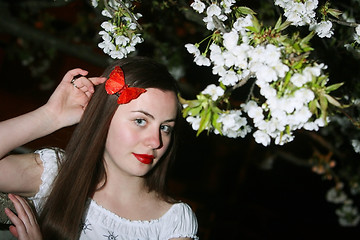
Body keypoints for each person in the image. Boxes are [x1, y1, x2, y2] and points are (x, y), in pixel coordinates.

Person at [0, 56, 199, 240]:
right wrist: (50, 116)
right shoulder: (56, 174)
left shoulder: (173, 222)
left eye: (165, 128)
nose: (156, 142)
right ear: (106, 118)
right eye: (140, 121)